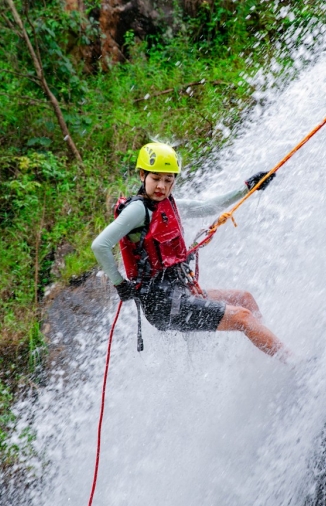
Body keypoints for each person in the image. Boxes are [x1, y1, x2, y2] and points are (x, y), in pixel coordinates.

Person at [91, 142, 289, 359]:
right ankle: (293, 363)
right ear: (142, 175)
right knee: (242, 317)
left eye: (168, 180)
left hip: (178, 292)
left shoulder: (169, 204)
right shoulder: (138, 210)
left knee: (244, 299)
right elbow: (99, 245)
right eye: (155, 178)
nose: (161, 186)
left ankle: (270, 356)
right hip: (162, 305)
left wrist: (248, 187)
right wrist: (120, 283)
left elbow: (208, 206)